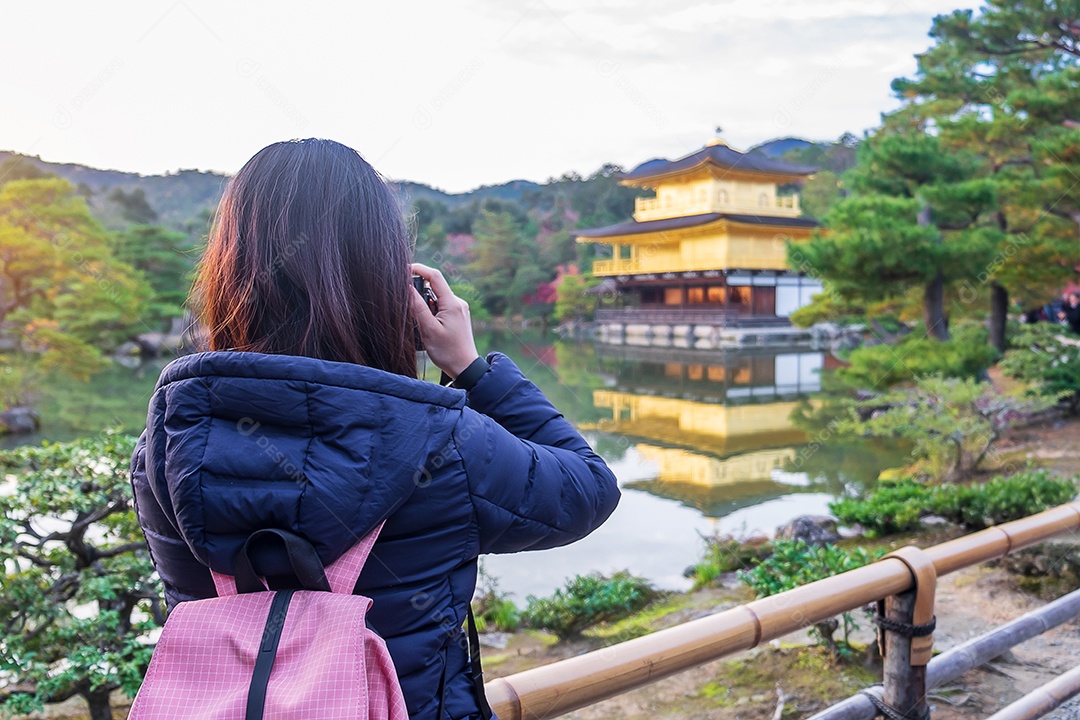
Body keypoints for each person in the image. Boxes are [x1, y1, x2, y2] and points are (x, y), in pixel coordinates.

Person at [129, 138, 620, 720]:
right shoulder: (442, 441)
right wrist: (473, 370)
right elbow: (587, 489)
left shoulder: (168, 441)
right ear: (388, 281)